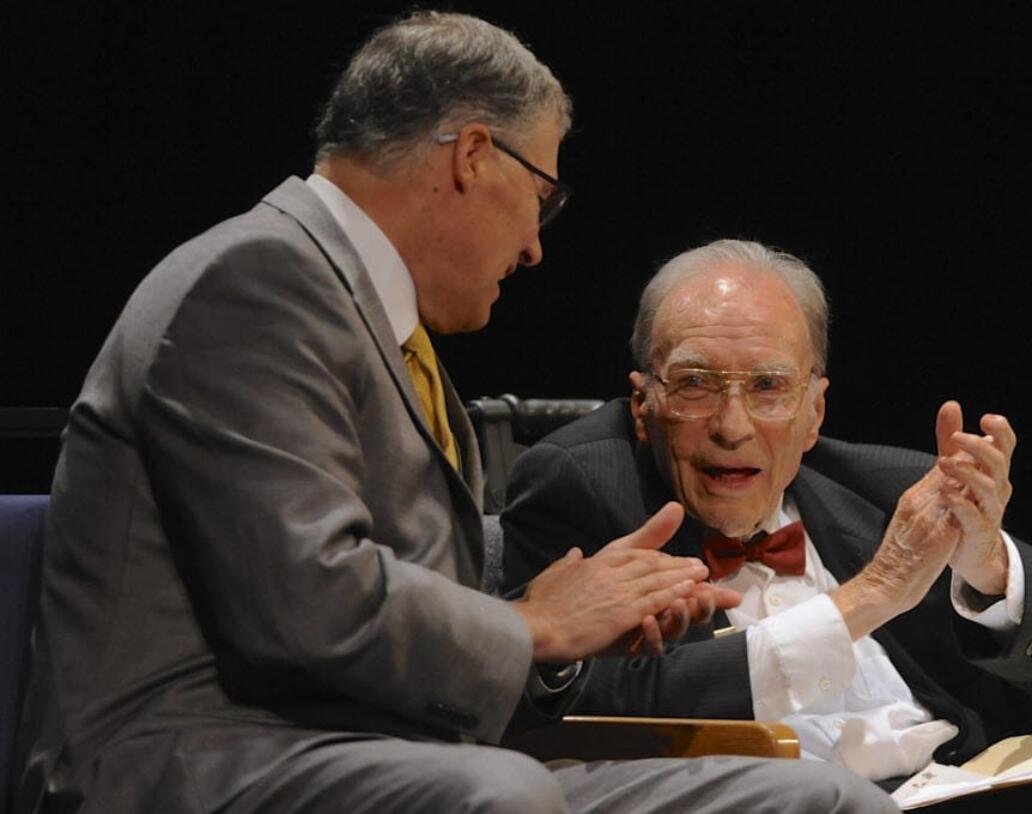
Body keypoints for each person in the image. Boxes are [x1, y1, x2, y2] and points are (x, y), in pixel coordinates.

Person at [16, 14, 901, 814]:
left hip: (387, 753)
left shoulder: (385, 329)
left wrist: (561, 638)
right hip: (190, 755)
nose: (535, 245)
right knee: (502, 794)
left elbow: (420, 630)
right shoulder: (253, 285)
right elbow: (310, 603)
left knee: (819, 799)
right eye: (542, 197)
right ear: (473, 156)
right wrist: (529, 625)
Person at [500, 238, 1032, 813]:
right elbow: (579, 700)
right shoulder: (583, 484)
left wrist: (988, 570)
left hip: (946, 779)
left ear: (815, 410)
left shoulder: (880, 483)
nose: (732, 427)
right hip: (795, 800)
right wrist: (868, 597)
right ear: (642, 403)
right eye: (695, 385)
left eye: (768, 388)